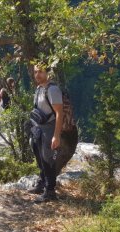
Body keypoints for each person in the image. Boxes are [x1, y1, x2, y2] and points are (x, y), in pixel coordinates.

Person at [27, 64, 78, 203]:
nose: (37, 75)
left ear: (47, 73)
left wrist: (56, 135)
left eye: (41, 72)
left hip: (49, 129)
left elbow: (59, 113)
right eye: (36, 72)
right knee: (40, 157)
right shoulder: (39, 89)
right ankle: (42, 183)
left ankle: (50, 191)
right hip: (38, 128)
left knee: (48, 159)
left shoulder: (52, 89)